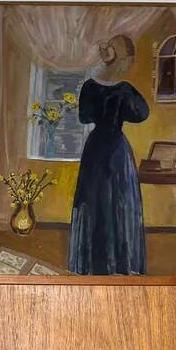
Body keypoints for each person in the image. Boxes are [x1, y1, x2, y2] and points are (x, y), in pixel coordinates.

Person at [68, 34, 150, 274]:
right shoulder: (124, 89)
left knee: (94, 202)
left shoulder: (89, 86)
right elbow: (142, 113)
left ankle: (92, 265)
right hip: (116, 150)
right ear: (122, 58)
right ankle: (122, 265)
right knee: (119, 203)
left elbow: (84, 116)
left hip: (95, 149)